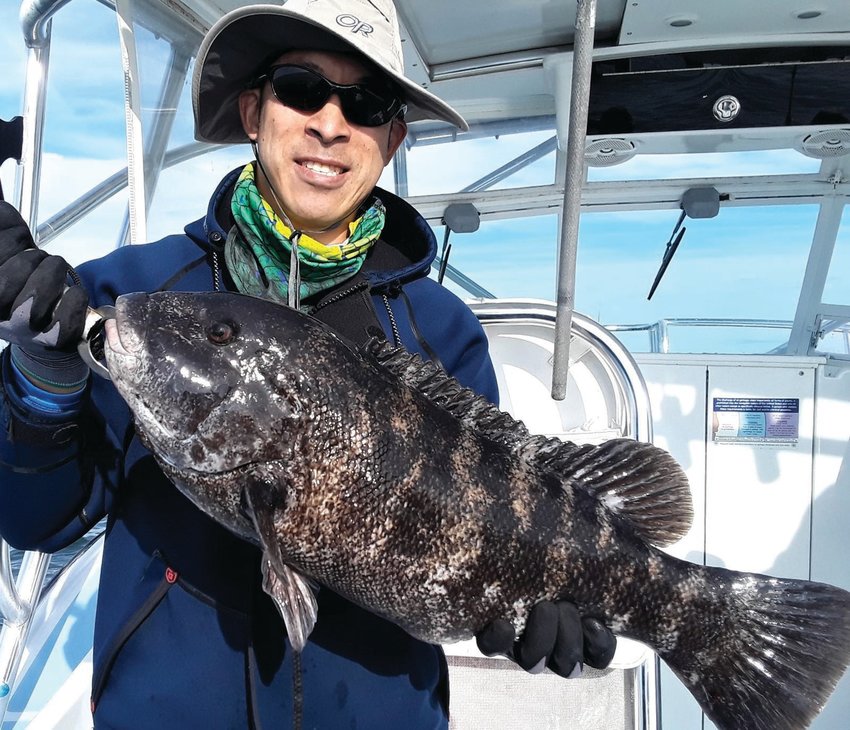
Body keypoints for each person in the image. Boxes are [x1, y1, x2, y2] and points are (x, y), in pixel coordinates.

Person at [0, 0, 615, 726]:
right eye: (301, 88)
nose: (330, 122)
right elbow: (35, 522)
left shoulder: (442, 330)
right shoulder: (138, 294)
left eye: (365, 101)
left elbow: (481, 537)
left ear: (391, 138)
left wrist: (528, 599)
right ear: (254, 112)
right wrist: (45, 375)